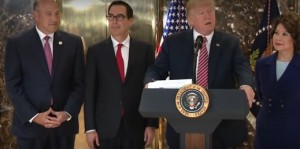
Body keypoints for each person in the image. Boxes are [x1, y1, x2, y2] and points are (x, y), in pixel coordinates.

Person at [144, 0, 255, 148]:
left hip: (222, 127)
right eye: (201, 13)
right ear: (190, 20)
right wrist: (150, 82)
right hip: (182, 124)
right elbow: (157, 70)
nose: (207, 16)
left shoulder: (230, 43)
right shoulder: (173, 43)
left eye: (210, 11)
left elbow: (242, 68)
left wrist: (246, 84)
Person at [4, 0, 85, 148]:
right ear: (35, 15)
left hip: (63, 128)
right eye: (48, 14)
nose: (54, 19)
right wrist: (34, 116)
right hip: (30, 129)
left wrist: (67, 113)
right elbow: (13, 86)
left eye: (56, 14)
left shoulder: (74, 43)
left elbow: (79, 83)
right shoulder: (17, 44)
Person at [84, 1, 158, 149]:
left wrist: (151, 124)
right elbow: (89, 92)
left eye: (119, 17)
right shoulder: (95, 52)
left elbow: (151, 90)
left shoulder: (145, 51)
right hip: (105, 128)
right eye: (110, 17)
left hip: (137, 126)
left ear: (130, 21)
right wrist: (90, 128)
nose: (114, 21)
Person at [254, 12, 300, 149]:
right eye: (276, 33)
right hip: (265, 130)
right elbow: (261, 96)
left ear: (295, 38)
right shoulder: (262, 65)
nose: (278, 38)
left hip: (294, 132)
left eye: (285, 34)